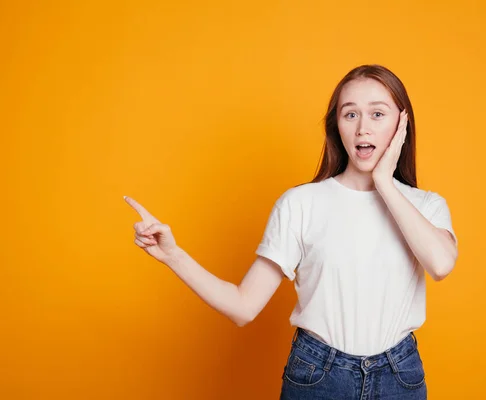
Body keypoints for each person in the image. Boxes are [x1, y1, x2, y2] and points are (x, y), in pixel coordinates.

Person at [124, 64, 458, 399]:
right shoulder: (301, 203)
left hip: (398, 377)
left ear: (401, 124)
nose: (363, 129)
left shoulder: (426, 206)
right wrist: (173, 256)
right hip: (318, 377)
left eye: (377, 114)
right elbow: (243, 307)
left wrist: (384, 182)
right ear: (336, 125)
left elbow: (441, 265)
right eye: (350, 114)